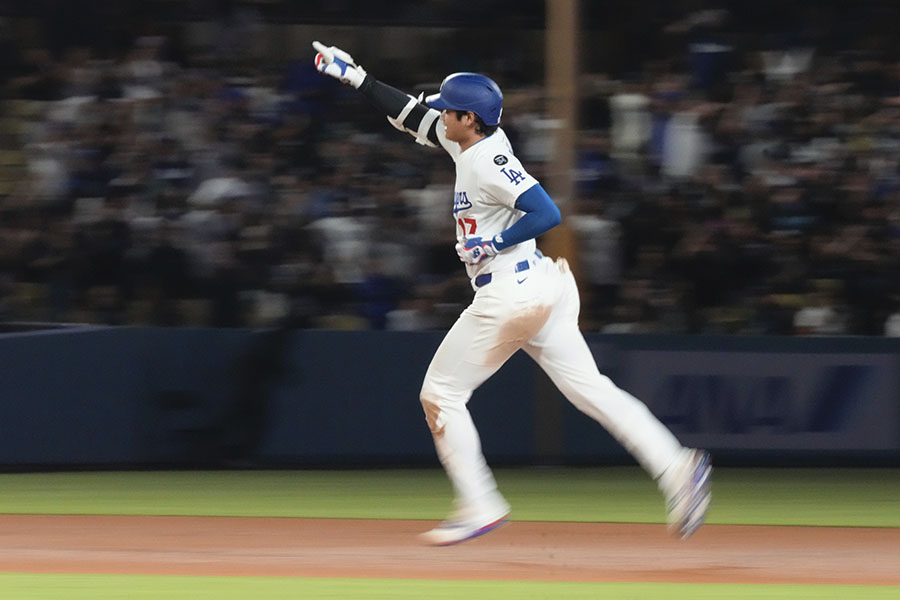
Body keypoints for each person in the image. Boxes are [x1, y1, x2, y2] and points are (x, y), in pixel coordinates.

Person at [312, 42, 711, 545]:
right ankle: (678, 468)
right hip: (540, 287)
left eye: (447, 108)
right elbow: (412, 114)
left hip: (511, 292)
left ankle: (479, 503)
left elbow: (547, 212)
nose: (438, 111)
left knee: (441, 394)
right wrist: (358, 78)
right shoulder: (468, 139)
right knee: (593, 391)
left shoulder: (487, 162)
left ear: (468, 119)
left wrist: (494, 239)